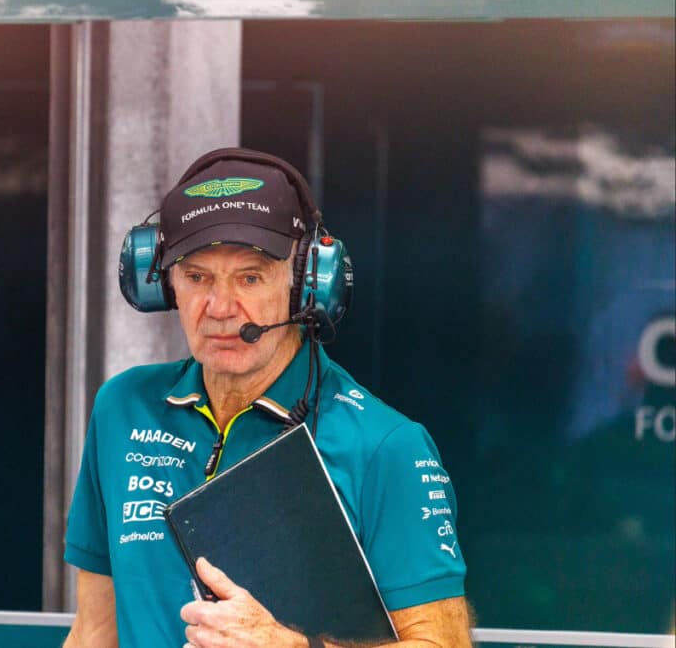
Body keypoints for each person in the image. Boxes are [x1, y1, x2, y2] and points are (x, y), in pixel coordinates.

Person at [63, 148, 470, 647]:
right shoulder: (123, 409)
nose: (219, 308)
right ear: (163, 284)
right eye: (197, 277)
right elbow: (95, 632)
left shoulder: (385, 447)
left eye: (250, 277)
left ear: (305, 284)